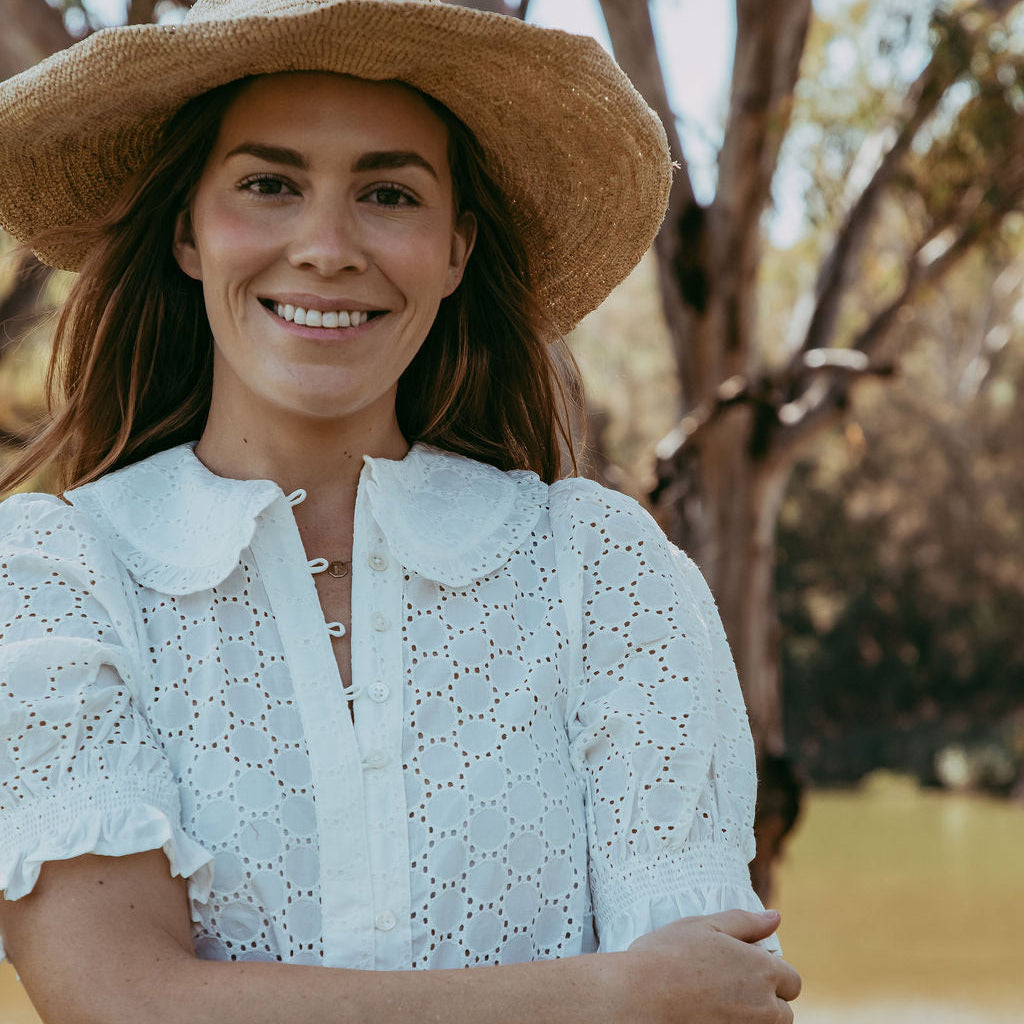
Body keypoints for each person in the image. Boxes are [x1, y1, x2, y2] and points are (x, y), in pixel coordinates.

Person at [0, 1, 801, 1021]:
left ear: (457, 248)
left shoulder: (601, 571)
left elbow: (702, 1003)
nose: (327, 246)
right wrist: (607, 992)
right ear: (187, 234)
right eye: (268, 184)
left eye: (387, 192)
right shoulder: (55, 578)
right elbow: (124, 1001)